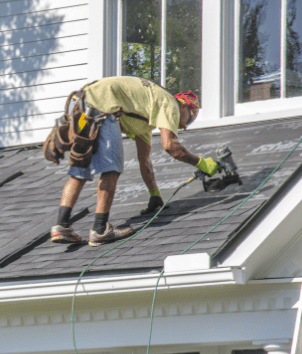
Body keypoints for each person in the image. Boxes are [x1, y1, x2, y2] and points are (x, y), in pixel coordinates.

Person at [49, 77, 219, 246]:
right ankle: (100, 229)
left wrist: (154, 194)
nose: (185, 126)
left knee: (80, 168)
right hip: (102, 106)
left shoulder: (144, 118)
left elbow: (144, 160)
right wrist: (202, 163)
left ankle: (61, 226)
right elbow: (170, 146)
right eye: (189, 118)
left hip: (82, 107)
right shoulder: (170, 103)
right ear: (183, 105)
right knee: (111, 169)